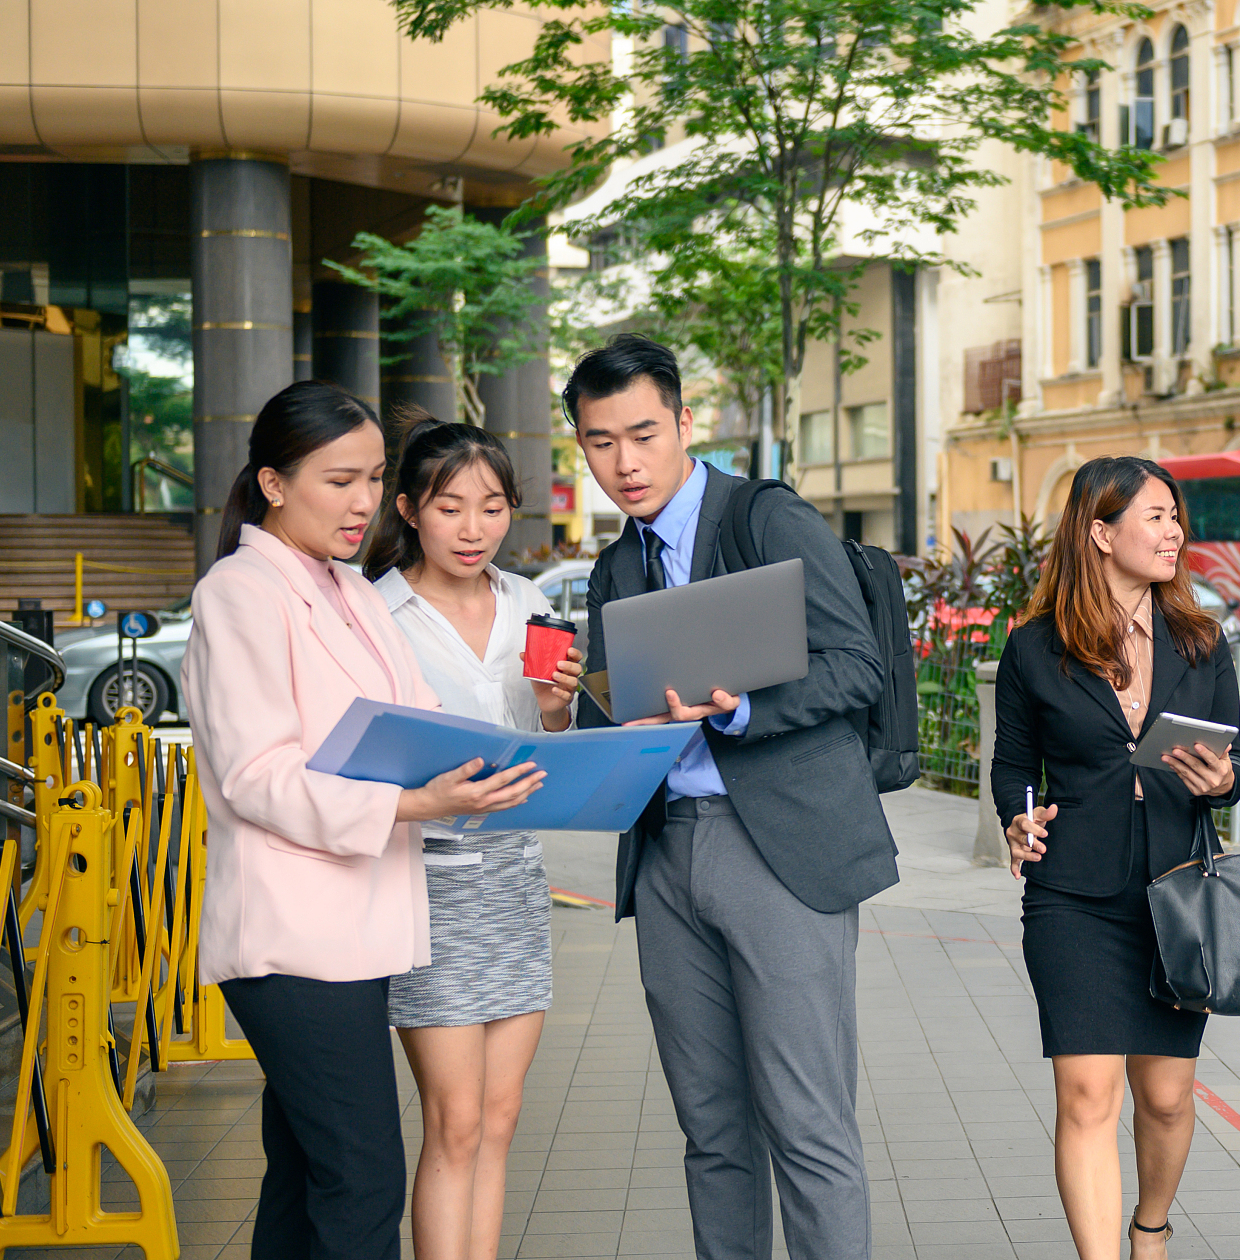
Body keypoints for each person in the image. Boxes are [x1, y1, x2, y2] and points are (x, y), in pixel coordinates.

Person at [180, 382, 544, 1260]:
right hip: (293, 935)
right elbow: (257, 774)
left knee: (306, 1174)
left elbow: (419, 725)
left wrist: (546, 758)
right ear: (273, 482)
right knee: (363, 1175)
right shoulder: (240, 592)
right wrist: (416, 802)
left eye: (374, 479)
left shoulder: (346, 587)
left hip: (359, 929)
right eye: (339, 479)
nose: (362, 502)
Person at [568, 333, 896, 1260]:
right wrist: (592, 724)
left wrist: (743, 710)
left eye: (641, 433)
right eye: (600, 443)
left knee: (806, 1122)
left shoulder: (765, 519)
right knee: (712, 1132)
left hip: (779, 855)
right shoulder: (612, 569)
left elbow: (856, 667)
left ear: (682, 421)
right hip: (668, 853)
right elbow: (626, 721)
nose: (624, 463)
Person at [993, 457, 1240, 1259]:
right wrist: (1017, 819)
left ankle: (1150, 1230)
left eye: (1177, 517)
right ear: (1100, 533)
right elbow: (1012, 765)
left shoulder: (1203, 643)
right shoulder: (1036, 647)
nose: (1174, 532)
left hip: (1179, 899)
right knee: (1086, 1095)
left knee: (1166, 1099)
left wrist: (1219, 783)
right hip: (1072, 897)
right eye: (1156, 517)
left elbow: (1232, 772)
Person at [361, 417, 584, 1260]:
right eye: (450, 506)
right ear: (411, 509)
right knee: (453, 1122)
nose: (472, 527)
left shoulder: (530, 602)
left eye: (491, 507)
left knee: (500, 1117)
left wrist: (559, 709)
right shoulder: (376, 611)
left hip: (515, 878)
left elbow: (541, 737)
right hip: (427, 880)